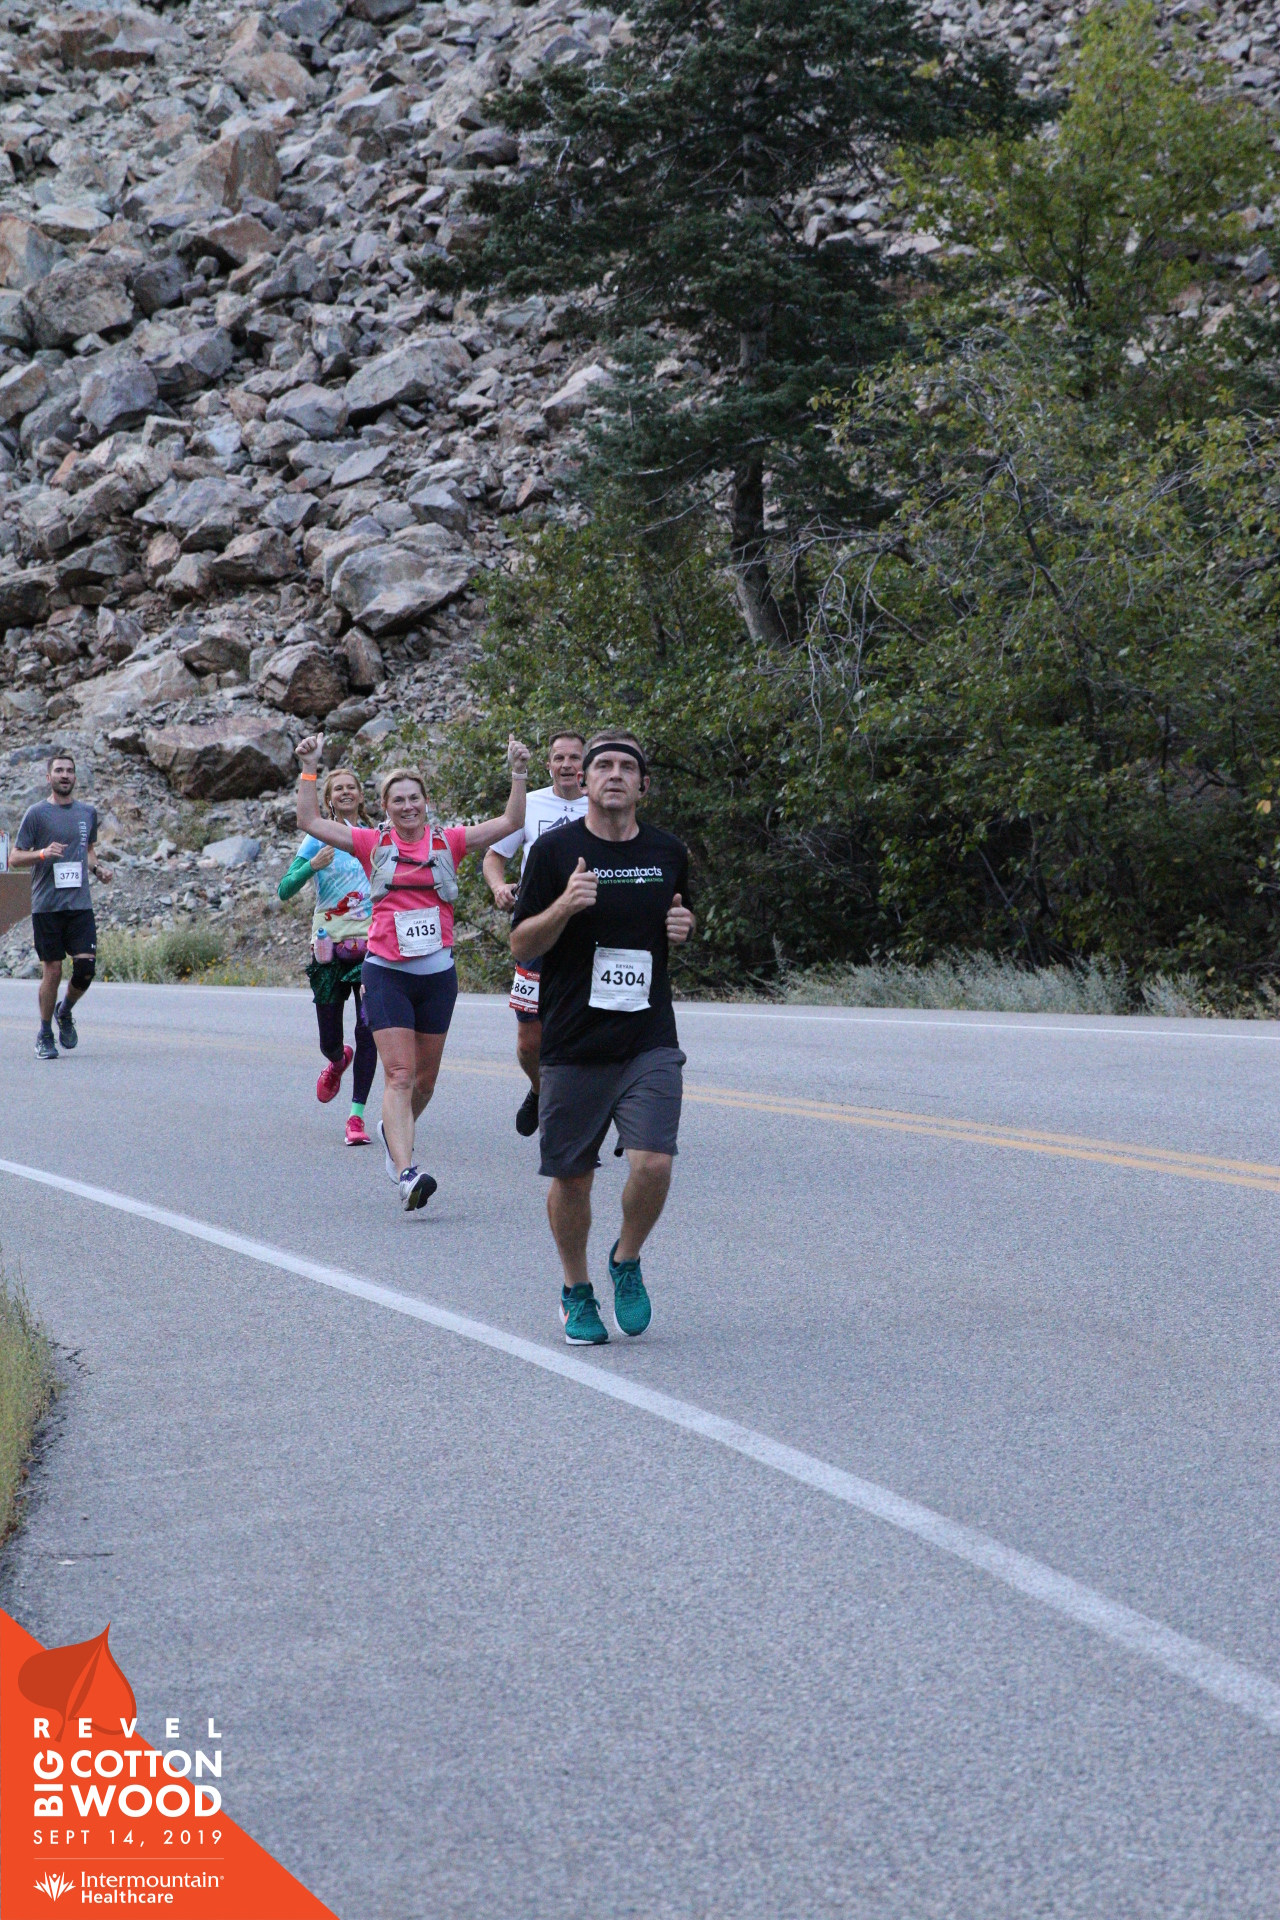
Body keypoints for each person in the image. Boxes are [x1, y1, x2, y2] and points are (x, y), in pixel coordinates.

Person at [294, 731, 532, 1211]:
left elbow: (510, 821)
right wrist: (309, 768)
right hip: (386, 972)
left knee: (424, 1082)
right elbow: (309, 820)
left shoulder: (450, 841)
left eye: (414, 798)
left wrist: (519, 772)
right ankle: (406, 1173)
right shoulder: (370, 841)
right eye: (398, 800)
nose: (407, 806)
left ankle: (392, 1128)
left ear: (426, 803)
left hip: (438, 976)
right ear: (385, 807)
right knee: (399, 1075)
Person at [511, 731, 695, 1344]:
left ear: (643, 785)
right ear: (583, 781)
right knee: (573, 1178)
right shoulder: (554, 852)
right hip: (573, 1041)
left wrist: (684, 925)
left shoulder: (668, 851)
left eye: (626, 767)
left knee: (655, 1162)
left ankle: (626, 1258)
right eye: (602, 766)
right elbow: (521, 943)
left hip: (648, 1036)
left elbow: (680, 916)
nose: (614, 774)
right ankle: (576, 1289)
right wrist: (564, 906)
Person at [482, 729, 588, 1137]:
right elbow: (494, 856)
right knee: (530, 1041)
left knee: (586, 1031)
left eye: (575, 757)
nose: (567, 765)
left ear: (586, 765)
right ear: (548, 765)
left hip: (587, 933)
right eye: (559, 757)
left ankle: (580, 1124)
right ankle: (541, 1090)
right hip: (535, 931)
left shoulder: (601, 806)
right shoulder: (530, 805)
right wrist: (498, 887)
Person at [278, 765, 378, 1146]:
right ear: (329, 799)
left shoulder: (375, 837)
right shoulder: (317, 839)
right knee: (329, 1039)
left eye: (352, 787)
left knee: (368, 1030)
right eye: (338, 789)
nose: (346, 792)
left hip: (372, 947)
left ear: (361, 796)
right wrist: (311, 866)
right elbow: (285, 890)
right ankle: (337, 1061)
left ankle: (356, 1116)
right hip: (329, 949)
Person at [11, 747, 112, 1061]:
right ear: (48, 777)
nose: (64, 775)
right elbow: (14, 858)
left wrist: (98, 869)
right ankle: (44, 1033)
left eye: (69, 771)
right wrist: (42, 853)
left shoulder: (87, 813)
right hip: (47, 906)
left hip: (80, 905)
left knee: (86, 969)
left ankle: (64, 1010)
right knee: (52, 971)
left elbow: (88, 850)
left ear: (75, 777)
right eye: (59, 771)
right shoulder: (36, 814)